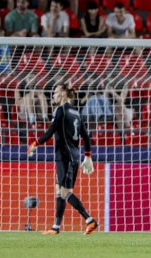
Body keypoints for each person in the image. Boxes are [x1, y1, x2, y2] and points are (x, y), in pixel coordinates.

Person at [27, 84, 98, 235]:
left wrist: (35, 143)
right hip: (74, 156)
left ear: (64, 94)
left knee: (65, 192)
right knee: (59, 190)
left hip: (64, 156)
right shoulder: (76, 112)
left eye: (55, 92)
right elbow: (86, 137)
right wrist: (87, 156)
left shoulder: (61, 110)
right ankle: (56, 226)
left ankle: (89, 220)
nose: (53, 95)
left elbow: (50, 132)